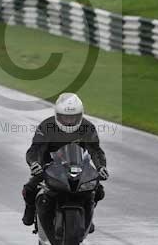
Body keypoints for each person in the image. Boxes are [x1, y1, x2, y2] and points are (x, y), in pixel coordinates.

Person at [22, 92, 108, 227]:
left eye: (73, 117)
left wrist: (101, 167)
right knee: (29, 189)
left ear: (80, 115)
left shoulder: (88, 127)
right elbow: (35, 149)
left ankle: (87, 214)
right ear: (57, 115)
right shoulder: (46, 126)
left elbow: (95, 150)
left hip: (79, 166)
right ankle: (30, 209)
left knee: (98, 191)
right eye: (65, 117)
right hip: (50, 166)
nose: (69, 121)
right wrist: (35, 163)